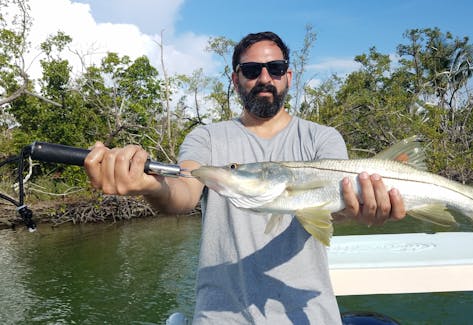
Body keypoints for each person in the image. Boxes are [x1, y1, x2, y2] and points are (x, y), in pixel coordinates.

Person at [84, 31, 406, 324]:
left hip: (310, 315)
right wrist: (148, 185)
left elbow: (334, 208)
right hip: (220, 316)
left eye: (275, 69)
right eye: (252, 71)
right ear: (236, 79)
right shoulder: (206, 138)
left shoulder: (322, 138)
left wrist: (358, 209)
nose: (265, 78)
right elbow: (184, 190)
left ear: (288, 76)